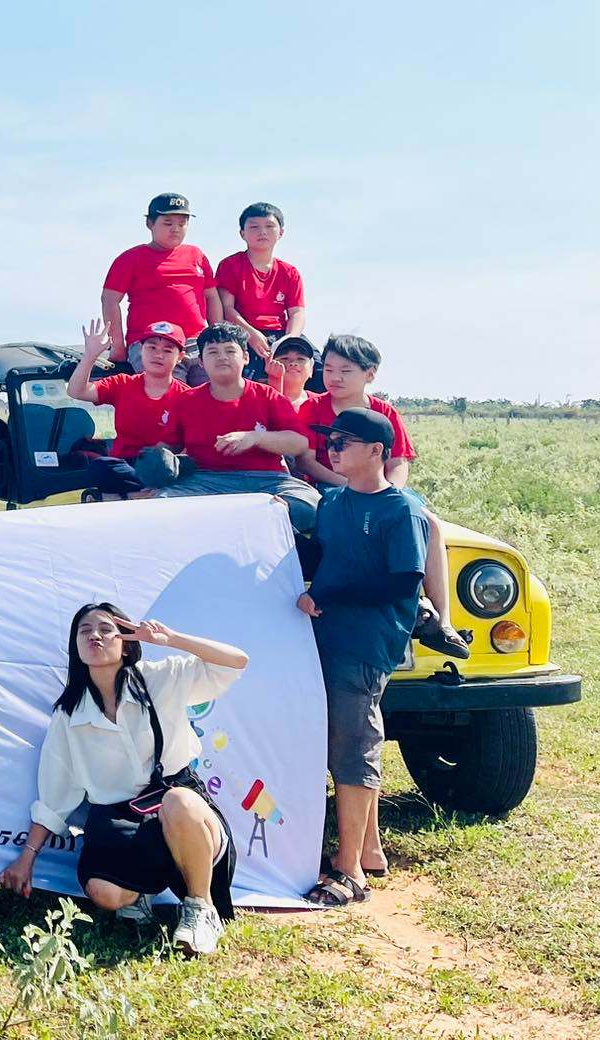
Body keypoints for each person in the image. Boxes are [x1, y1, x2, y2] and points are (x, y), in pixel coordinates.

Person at [0, 605, 247, 958]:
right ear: (76, 646)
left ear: (127, 643)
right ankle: (141, 895)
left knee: (178, 800)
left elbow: (235, 661)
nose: (94, 636)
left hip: (183, 811)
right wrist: (26, 858)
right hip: (122, 823)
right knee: (102, 892)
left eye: (106, 628)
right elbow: (55, 796)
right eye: (84, 630)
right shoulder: (69, 716)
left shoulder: (161, 678)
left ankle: (200, 907)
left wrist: (171, 638)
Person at [297, 408, 429, 906]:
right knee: (340, 740)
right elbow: (323, 557)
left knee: (352, 744)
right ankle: (368, 850)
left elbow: (403, 580)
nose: (332, 448)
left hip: (366, 642)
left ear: (377, 451)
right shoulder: (330, 503)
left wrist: (331, 597)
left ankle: (349, 869)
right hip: (325, 634)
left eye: (343, 441)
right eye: (330, 440)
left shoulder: (403, 510)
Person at [296, 335, 466, 658]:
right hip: (329, 488)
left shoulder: (385, 412)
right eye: (329, 369)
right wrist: (350, 485)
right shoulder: (312, 408)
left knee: (427, 522)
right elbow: (306, 461)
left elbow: (398, 463)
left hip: (382, 489)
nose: (334, 378)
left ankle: (441, 620)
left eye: (345, 370)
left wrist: (389, 496)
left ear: (369, 374)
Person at [133, 323, 322, 535]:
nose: (222, 357)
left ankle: (238, 520)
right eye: (213, 352)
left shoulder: (268, 396)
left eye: (230, 350)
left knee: (311, 505)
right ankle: (253, 519)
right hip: (205, 481)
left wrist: (256, 438)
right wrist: (157, 464)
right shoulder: (185, 401)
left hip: (266, 482)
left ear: (246, 357)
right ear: (202, 363)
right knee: (159, 504)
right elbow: (169, 445)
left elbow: (298, 443)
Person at [99, 193, 217, 383]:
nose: (176, 229)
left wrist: (216, 334)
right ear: (150, 224)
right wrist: (118, 345)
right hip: (153, 342)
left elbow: (212, 296)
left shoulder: (197, 255)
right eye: (168, 223)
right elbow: (109, 301)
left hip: (196, 341)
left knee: (213, 395)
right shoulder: (130, 259)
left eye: (182, 223)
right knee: (170, 398)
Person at [66, 317, 188, 500]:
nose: (158, 354)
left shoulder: (187, 396)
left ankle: (117, 497)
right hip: (125, 465)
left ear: (179, 357)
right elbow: (76, 391)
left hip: (163, 467)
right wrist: (90, 356)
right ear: (141, 350)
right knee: (100, 467)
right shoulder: (123, 383)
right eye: (152, 347)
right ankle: (139, 495)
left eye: (167, 350)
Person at [215, 203, 306, 381]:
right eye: (254, 227)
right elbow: (227, 308)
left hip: (281, 333)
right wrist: (251, 335)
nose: (262, 232)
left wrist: (289, 340)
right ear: (242, 233)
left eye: (269, 226)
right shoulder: (230, 265)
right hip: (244, 332)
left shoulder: (290, 272)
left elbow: (297, 312)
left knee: (317, 369)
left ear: (281, 232)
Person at [266, 334, 319, 411]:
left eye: (300, 359)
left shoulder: (322, 404)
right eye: (285, 358)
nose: (293, 363)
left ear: (311, 369)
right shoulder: (257, 400)